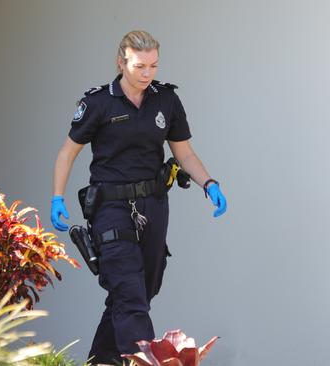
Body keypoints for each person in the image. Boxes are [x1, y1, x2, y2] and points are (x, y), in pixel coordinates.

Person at [50, 30, 227, 364]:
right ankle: (147, 362)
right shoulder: (99, 102)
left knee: (140, 292)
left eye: (153, 66)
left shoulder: (166, 100)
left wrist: (209, 183)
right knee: (130, 296)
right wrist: (57, 198)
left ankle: (101, 360)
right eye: (139, 66)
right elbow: (66, 153)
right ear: (121, 62)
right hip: (110, 208)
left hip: (154, 205)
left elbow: (184, 153)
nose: (147, 73)